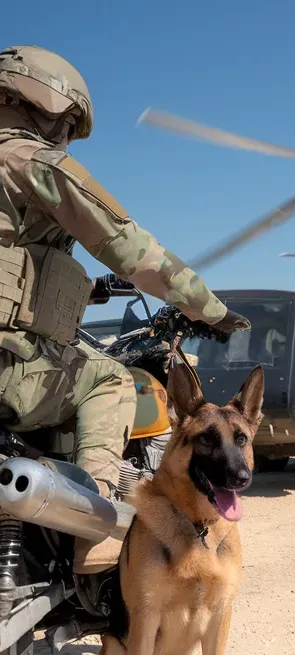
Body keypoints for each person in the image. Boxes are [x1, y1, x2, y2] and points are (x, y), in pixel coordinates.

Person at [0, 45, 250, 614]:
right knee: (111, 382)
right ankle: (95, 533)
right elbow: (129, 248)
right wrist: (207, 308)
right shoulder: (31, 162)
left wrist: (76, 290)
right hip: (9, 369)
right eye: (65, 125)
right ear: (49, 107)